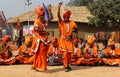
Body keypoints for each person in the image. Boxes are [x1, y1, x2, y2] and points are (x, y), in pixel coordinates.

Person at [31, 4, 53, 73]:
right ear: (39, 16)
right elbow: (36, 29)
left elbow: (51, 18)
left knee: (41, 54)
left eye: (44, 16)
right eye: (42, 16)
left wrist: (49, 10)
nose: (43, 17)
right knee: (42, 54)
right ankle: (44, 68)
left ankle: (34, 66)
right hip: (39, 40)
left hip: (44, 39)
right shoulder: (37, 21)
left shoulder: (44, 22)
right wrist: (44, 31)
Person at [57, 2, 78, 72]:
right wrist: (59, 7)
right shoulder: (61, 22)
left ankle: (68, 65)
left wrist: (73, 32)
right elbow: (58, 16)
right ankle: (65, 66)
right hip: (63, 40)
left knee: (69, 54)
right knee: (65, 54)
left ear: (68, 18)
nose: (66, 18)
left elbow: (76, 28)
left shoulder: (72, 23)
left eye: (67, 17)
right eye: (65, 17)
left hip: (69, 40)